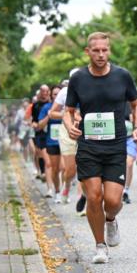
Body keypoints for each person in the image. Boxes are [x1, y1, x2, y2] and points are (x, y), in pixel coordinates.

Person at [62, 32, 137, 264]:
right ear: (87, 52)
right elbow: (68, 111)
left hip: (116, 145)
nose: (100, 54)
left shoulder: (122, 75)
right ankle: (100, 246)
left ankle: (110, 220)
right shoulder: (78, 78)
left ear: (109, 50)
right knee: (94, 196)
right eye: (96, 50)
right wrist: (69, 126)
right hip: (89, 146)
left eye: (104, 50)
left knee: (113, 201)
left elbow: (136, 104)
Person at [48, 68, 83, 204]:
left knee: (84, 166)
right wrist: (68, 114)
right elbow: (51, 113)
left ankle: (81, 198)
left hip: (85, 130)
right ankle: (67, 185)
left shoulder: (90, 89)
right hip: (67, 130)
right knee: (71, 169)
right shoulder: (64, 92)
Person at [31, 84, 51, 181]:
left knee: (49, 153)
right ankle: (43, 172)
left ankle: (48, 172)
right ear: (40, 92)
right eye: (43, 91)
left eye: (47, 91)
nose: (45, 93)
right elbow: (34, 120)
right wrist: (35, 125)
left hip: (50, 131)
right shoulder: (36, 105)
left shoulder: (53, 104)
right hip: (39, 132)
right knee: (40, 153)